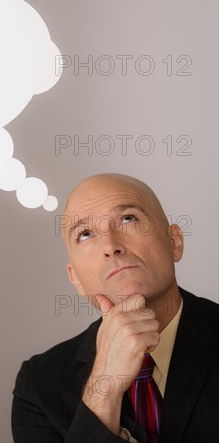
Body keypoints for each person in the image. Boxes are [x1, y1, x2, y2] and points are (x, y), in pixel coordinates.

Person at [12, 174, 219, 442]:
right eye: (85, 234)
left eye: (128, 219)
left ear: (174, 242)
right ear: (76, 279)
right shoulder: (38, 386)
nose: (111, 246)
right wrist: (103, 391)